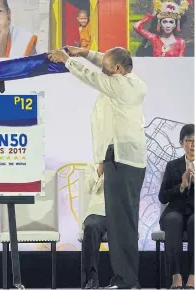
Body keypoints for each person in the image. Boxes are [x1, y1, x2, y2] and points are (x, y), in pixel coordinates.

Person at [48, 46, 147, 289]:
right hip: (119, 160)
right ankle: (123, 278)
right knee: (119, 223)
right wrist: (84, 52)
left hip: (122, 161)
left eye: (106, 67)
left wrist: (69, 61)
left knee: (122, 225)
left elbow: (92, 77)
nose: (101, 68)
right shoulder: (123, 79)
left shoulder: (123, 87)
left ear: (118, 69)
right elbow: (105, 63)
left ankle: (126, 281)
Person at [159, 124, 194, 289]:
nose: (193, 144)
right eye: (189, 140)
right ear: (182, 143)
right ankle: (176, 276)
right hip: (175, 211)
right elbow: (162, 196)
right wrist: (181, 185)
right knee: (173, 220)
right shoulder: (172, 166)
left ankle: (193, 276)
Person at [81, 164, 105, 289]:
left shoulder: (124, 165)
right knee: (91, 226)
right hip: (98, 212)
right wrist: (100, 168)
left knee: (126, 228)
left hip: (118, 212)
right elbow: (88, 188)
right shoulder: (92, 166)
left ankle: (126, 280)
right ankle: (92, 280)